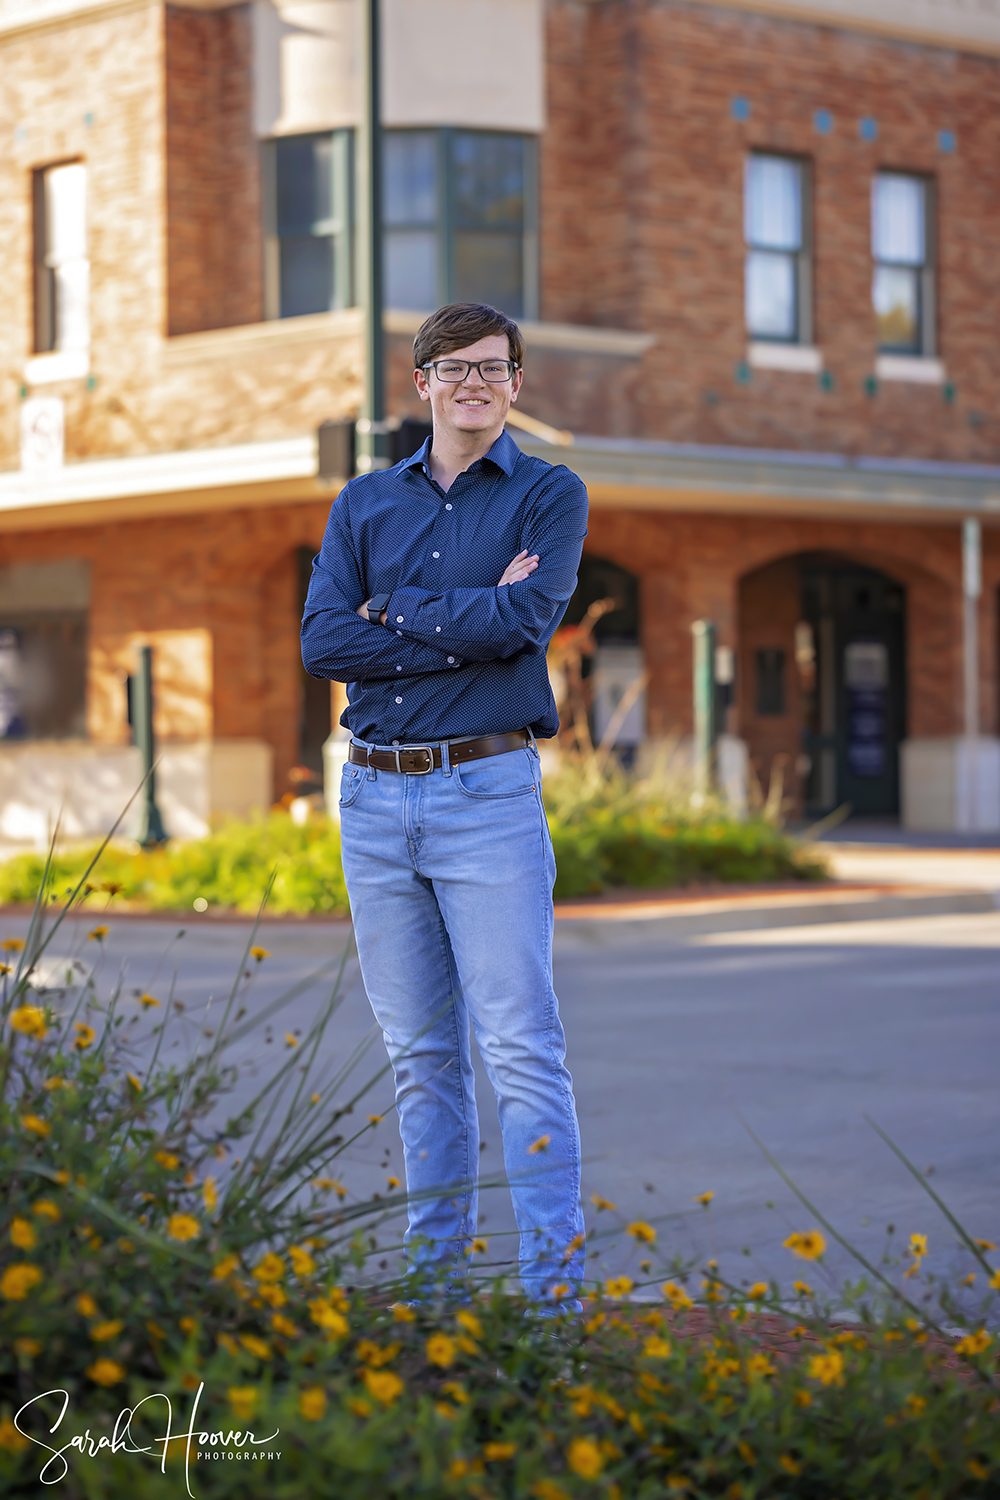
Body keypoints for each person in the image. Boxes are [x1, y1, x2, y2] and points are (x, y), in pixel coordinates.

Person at [301, 301, 588, 1304]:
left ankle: (554, 1297)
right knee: (422, 1057)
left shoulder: (550, 496)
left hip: (487, 795)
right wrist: (464, 623)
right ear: (419, 382)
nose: (475, 382)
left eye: (494, 367)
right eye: (454, 366)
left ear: (516, 384)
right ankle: (436, 1291)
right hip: (374, 804)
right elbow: (322, 645)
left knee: (518, 1046)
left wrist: (394, 611)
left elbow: (526, 617)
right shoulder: (362, 506)